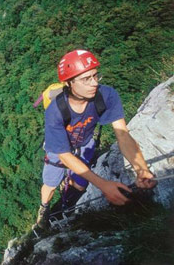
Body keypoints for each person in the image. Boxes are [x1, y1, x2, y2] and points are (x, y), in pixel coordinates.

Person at [33, 49, 156, 229]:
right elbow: (65, 155)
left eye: (95, 76)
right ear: (69, 83)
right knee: (50, 186)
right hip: (59, 148)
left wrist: (141, 168)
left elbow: (122, 134)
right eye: (86, 79)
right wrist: (103, 185)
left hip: (84, 143)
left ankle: (68, 204)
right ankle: (44, 208)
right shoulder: (56, 111)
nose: (94, 83)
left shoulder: (106, 95)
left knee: (80, 186)